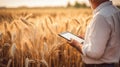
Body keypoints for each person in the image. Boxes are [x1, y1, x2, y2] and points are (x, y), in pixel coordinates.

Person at [69, 0, 120, 67]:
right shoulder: (116, 11)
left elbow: (95, 53)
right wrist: (87, 39)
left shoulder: (101, 16)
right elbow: (111, 38)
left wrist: (77, 45)